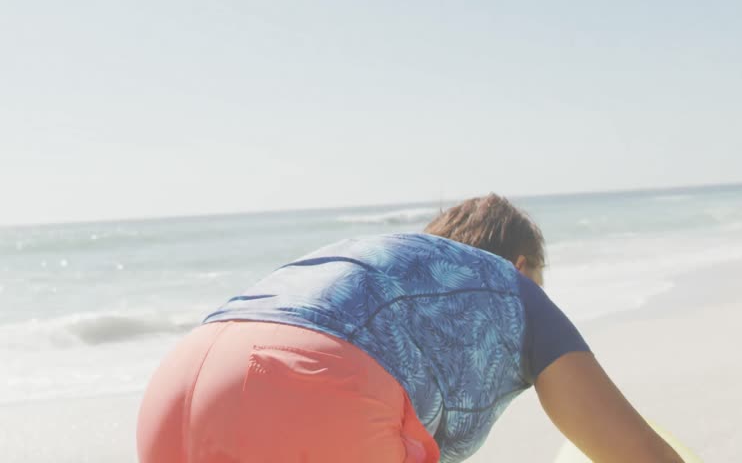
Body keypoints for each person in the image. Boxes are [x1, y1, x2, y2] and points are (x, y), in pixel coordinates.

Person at [136, 194, 684, 463]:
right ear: (522, 266)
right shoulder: (511, 289)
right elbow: (636, 454)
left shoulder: (390, 270)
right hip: (315, 385)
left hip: (180, 379)